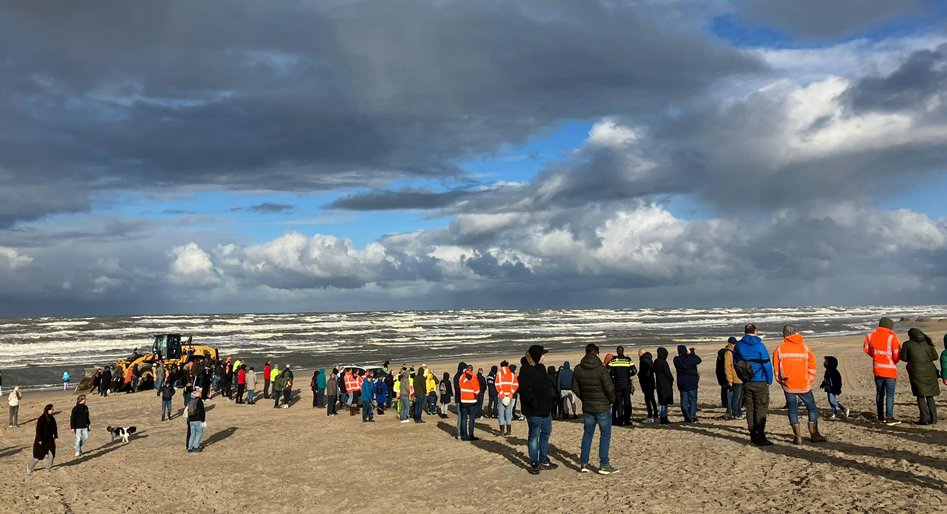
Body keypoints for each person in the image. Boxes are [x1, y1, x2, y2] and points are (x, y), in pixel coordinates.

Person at [772, 325, 826, 444]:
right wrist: (809, 380)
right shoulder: (805, 348)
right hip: (803, 384)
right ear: (796, 333)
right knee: (812, 408)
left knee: (792, 410)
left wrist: (782, 382)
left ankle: (798, 436)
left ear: (784, 336)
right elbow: (812, 367)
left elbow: (776, 371)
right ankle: (814, 434)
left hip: (788, 385)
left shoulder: (779, 349)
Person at [573, 343, 618, 475]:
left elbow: (575, 388)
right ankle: (604, 464)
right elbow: (609, 388)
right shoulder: (601, 370)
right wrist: (611, 400)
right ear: (597, 353)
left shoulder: (578, 369)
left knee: (588, 434)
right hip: (602, 407)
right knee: (605, 435)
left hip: (589, 406)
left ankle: (584, 463)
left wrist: (584, 398)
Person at [519, 345, 556, 475]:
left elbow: (545, 387)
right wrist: (535, 405)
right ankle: (534, 462)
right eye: (542, 355)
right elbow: (525, 391)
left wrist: (549, 400)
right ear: (536, 356)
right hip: (534, 411)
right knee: (534, 436)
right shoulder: (525, 370)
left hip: (545, 410)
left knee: (546, 433)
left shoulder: (541, 368)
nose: (544, 357)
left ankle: (544, 460)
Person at [735, 323, 774, 445]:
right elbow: (767, 365)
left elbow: (737, 363)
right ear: (755, 331)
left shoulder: (739, 345)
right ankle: (760, 436)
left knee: (750, 408)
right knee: (761, 408)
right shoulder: (760, 346)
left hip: (747, 380)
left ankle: (753, 434)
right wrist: (769, 380)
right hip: (760, 380)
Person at [864, 317, 902, 425]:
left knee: (879, 394)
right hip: (890, 370)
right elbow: (897, 355)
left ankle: (880, 417)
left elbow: (866, 349)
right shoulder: (892, 338)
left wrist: (876, 356)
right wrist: (892, 361)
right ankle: (889, 417)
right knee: (890, 395)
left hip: (877, 369)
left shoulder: (870, 336)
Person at [899, 328, 940, 425]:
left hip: (916, 372)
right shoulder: (927, 343)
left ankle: (924, 419)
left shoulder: (907, 344)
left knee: (920, 395)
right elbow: (935, 357)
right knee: (930, 396)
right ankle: (934, 419)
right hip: (930, 371)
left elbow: (904, 358)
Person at [607, 346, 636, 426]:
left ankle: (620, 420)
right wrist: (628, 375)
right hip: (626, 383)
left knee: (618, 402)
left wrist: (614, 375)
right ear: (623, 351)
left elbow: (608, 371)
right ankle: (627, 420)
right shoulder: (628, 359)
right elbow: (634, 371)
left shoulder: (613, 360)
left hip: (617, 383)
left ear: (617, 351)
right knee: (627, 401)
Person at [673, 345, 702, 423]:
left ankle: (686, 416)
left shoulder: (676, 359)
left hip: (682, 382)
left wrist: (688, 354)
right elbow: (698, 360)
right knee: (692, 399)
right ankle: (692, 416)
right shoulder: (689, 359)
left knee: (684, 400)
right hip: (691, 382)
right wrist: (692, 353)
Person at [28, 404, 57, 474]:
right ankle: (30, 467)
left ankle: (48, 468)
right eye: (52, 409)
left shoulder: (52, 418)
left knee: (51, 454)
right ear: (48, 410)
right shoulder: (41, 418)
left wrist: (55, 435)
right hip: (41, 440)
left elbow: (54, 427)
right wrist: (40, 440)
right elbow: (38, 430)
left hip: (49, 439)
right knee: (38, 457)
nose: (53, 411)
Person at [722, 337, 744, 420]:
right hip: (734, 378)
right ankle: (735, 413)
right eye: (733, 344)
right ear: (730, 344)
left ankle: (739, 412)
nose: (734, 345)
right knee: (736, 397)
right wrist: (729, 380)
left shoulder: (735, 352)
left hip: (740, 377)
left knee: (740, 397)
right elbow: (727, 367)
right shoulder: (728, 353)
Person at [495, 360, 518, 435]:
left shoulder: (499, 374)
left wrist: (502, 394)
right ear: (507, 366)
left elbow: (497, 385)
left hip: (501, 396)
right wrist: (510, 393)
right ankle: (509, 431)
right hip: (509, 396)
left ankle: (502, 431)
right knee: (508, 413)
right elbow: (516, 385)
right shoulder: (512, 374)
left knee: (501, 413)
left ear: (501, 366)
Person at [458, 365, 481, 441]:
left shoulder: (462, 377)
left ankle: (464, 435)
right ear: (472, 370)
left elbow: (460, 386)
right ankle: (471, 435)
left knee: (464, 418)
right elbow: (477, 391)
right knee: (471, 419)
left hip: (464, 400)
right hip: (472, 401)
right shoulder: (474, 377)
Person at [654, 348, 674, 425]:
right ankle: (664, 417)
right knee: (665, 401)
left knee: (661, 401)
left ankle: (662, 416)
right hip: (665, 383)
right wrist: (671, 379)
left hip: (659, 383)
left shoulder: (656, 361)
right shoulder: (663, 362)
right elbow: (667, 373)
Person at [637, 350, 657, 424]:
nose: (638, 355)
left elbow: (644, 372)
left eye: (639, 354)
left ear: (641, 353)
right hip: (651, 382)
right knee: (652, 399)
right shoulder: (649, 359)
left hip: (646, 382)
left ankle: (650, 416)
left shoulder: (643, 361)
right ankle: (655, 415)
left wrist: (640, 375)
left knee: (648, 400)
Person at [452, 362, 467, 437]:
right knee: (461, 416)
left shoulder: (461, 376)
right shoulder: (458, 376)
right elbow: (458, 389)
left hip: (462, 399)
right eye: (464, 368)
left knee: (463, 416)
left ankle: (462, 432)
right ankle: (460, 432)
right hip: (460, 399)